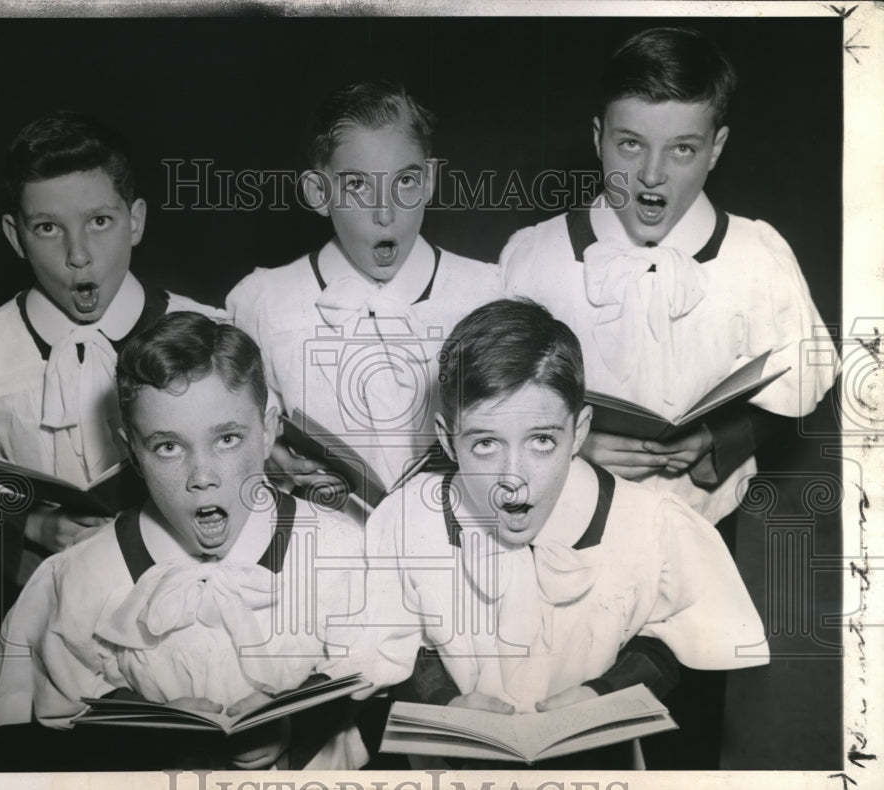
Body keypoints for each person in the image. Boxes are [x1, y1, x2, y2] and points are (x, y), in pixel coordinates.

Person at [365, 298, 769, 768]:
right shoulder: (407, 520)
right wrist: (444, 703)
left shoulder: (646, 520)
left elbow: (673, 633)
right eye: (485, 443)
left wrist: (606, 692)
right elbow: (398, 640)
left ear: (579, 432)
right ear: (446, 437)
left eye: (541, 441)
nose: (513, 478)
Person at [0, 312, 376, 769]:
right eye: (168, 447)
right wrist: (150, 732)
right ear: (131, 449)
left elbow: (376, 680)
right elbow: (54, 707)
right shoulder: (83, 574)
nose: (202, 477)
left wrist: (297, 723)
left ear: (269, 428)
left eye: (228, 439)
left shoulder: (338, 551)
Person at [499, 27, 838, 528]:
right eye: (631, 144)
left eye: (682, 149)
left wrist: (716, 441)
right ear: (598, 138)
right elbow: (495, 396)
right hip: (564, 523)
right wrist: (573, 441)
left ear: (716, 148)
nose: (652, 174)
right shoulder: (535, 257)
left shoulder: (755, 255)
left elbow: (803, 373)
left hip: (704, 522)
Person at [0, 111, 225, 584]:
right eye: (48, 228)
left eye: (99, 221)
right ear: (16, 237)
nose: (78, 254)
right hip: (45, 614)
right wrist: (34, 526)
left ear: (135, 221)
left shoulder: (211, 332)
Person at [227, 80, 501, 502]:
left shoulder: (487, 293)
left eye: (405, 182)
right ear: (320, 193)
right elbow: (234, 434)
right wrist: (267, 453)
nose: (385, 213)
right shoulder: (263, 303)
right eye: (357, 185)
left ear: (429, 181)